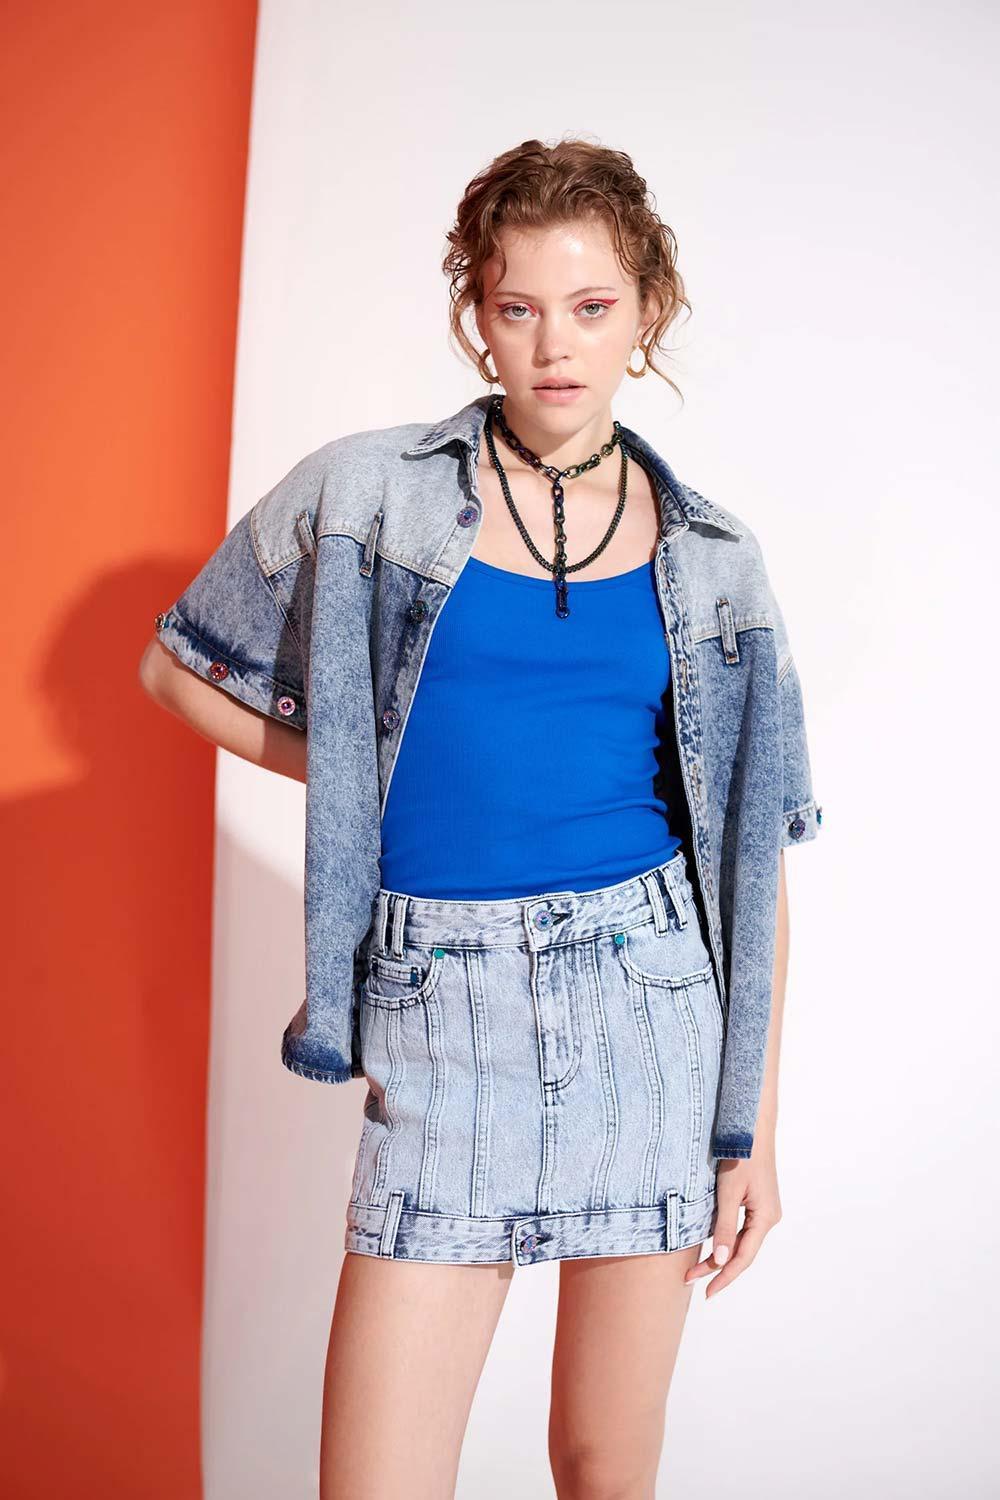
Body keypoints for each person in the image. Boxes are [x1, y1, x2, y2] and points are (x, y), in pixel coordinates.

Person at [140, 137, 822, 1500]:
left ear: (647, 311)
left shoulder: (718, 559)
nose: (556, 345)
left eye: (592, 306)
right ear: (478, 314)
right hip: (439, 1008)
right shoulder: (366, 492)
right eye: (519, 307)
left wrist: (748, 1122)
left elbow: (751, 864)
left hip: (649, 1005)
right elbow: (178, 671)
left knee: (602, 1466)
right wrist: (363, 770)